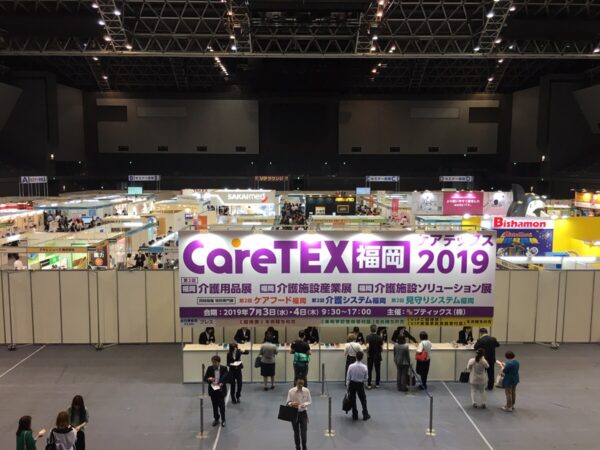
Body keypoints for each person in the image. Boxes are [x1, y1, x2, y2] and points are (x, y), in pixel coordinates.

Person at [203, 355, 228, 427]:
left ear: (219, 362)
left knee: (222, 406)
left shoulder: (224, 368)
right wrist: (209, 379)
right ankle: (216, 419)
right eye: (212, 362)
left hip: (220, 391)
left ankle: (223, 419)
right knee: (214, 406)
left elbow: (227, 378)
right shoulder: (210, 368)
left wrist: (222, 383)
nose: (213, 364)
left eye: (215, 362)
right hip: (213, 391)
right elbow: (205, 378)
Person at [286, 378, 312, 450]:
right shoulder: (291, 391)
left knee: (304, 432)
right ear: (295, 382)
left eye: (302, 384)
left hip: (303, 413)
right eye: (299, 383)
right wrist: (292, 403)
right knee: (296, 432)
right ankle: (297, 447)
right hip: (294, 413)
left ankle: (304, 446)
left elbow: (309, 401)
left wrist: (305, 404)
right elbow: (287, 402)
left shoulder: (306, 391)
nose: (300, 385)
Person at [346, 351, 371, 421]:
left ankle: (355, 415)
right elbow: (366, 378)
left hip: (352, 384)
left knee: (353, 399)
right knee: (363, 399)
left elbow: (348, 377)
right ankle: (365, 414)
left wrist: (347, 387)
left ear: (356, 357)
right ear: (362, 358)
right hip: (360, 384)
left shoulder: (351, 366)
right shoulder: (364, 367)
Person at [365, 324, 383, 389]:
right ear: (376, 329)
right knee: (378, 370)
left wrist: (367, 352)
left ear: (370, 329)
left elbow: (367, 346)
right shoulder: (379, 337)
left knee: (369, 370)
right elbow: (381, 346)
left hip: (370, 355)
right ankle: (377, 384)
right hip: (378, 355)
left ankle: (369, 384)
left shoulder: (368, 337)